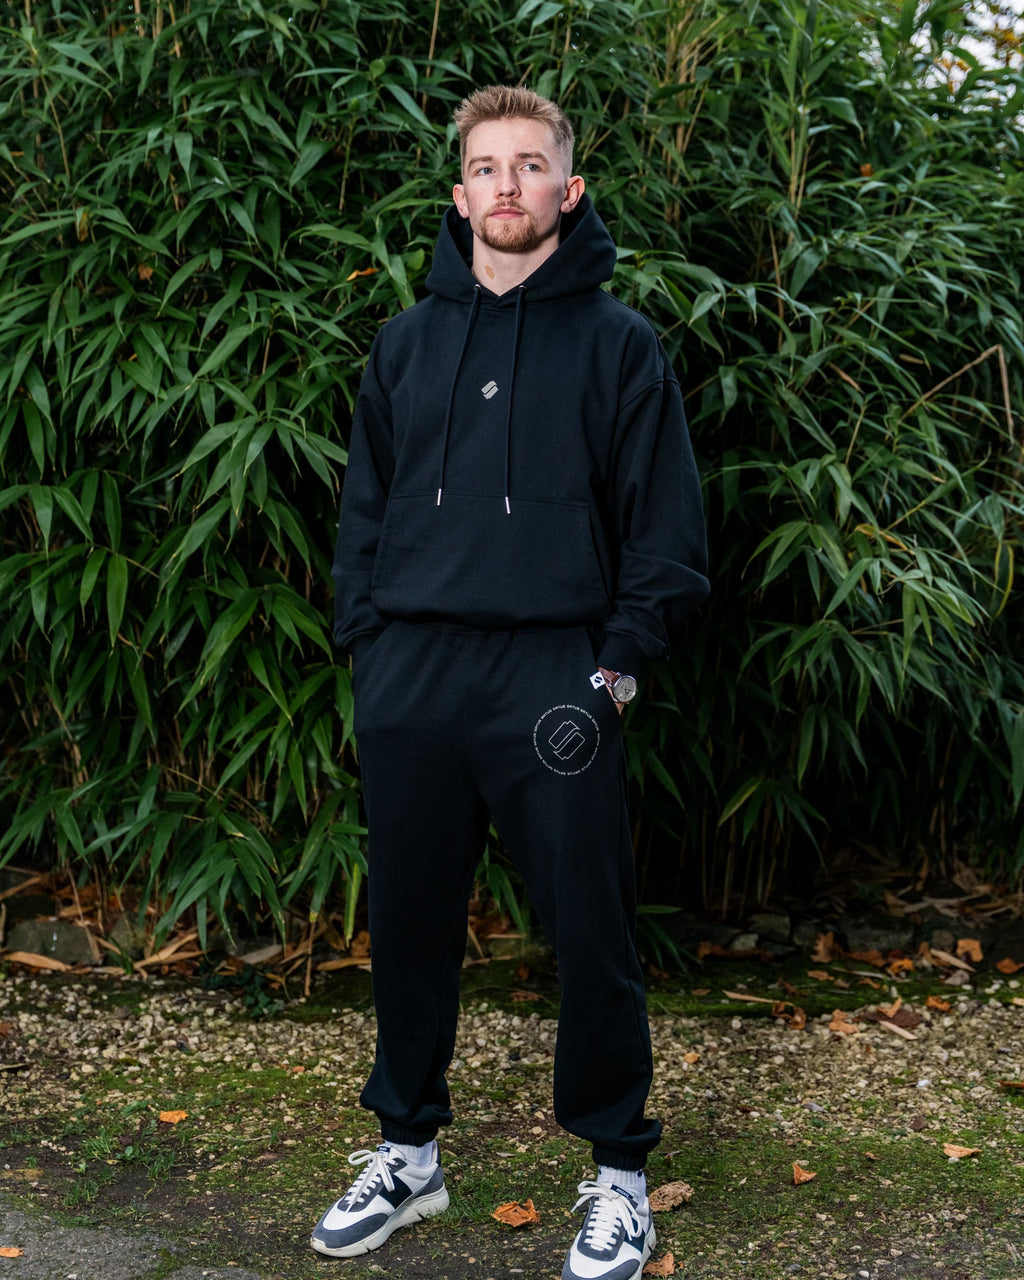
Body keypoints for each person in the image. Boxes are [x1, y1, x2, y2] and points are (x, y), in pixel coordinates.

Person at [313, 84, 709, 1280]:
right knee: (412, 920)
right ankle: (408, 1156)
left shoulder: (619, 344)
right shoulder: (406, 342)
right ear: (458, 194)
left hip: (554, 675)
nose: (505, 187)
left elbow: (666, 536)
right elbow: (363, 514)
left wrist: (614, 675)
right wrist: (370, 650)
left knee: (589, 925)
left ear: (566, 189)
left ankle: (618, 1173)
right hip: (415, 673)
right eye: (484, 167)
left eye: (528, 166)